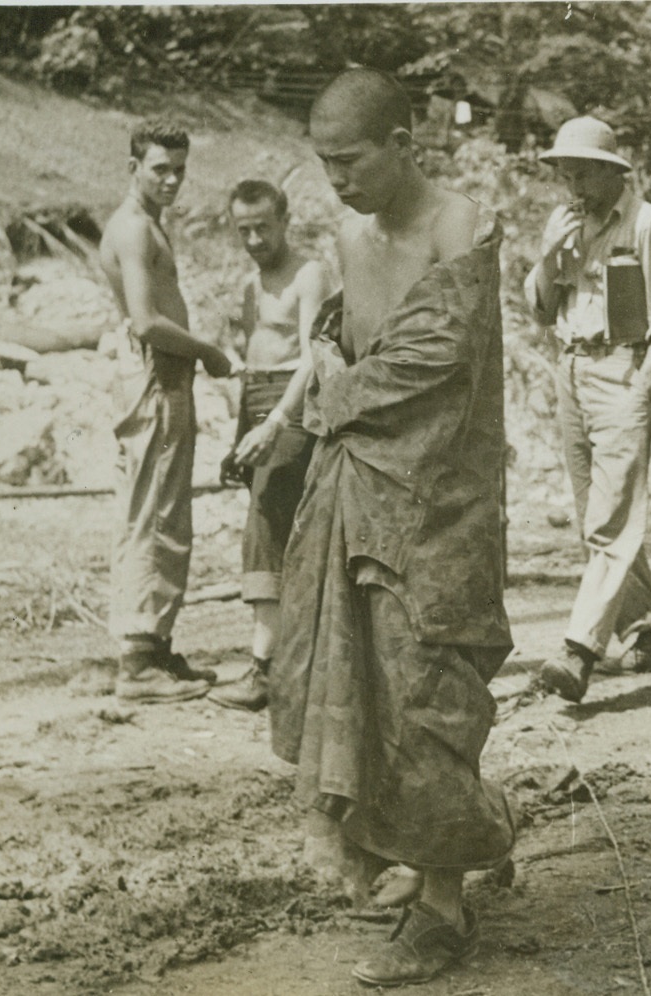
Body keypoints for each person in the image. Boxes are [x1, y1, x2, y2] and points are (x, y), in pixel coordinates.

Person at [267, 68, 514, 987]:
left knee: (429, 694)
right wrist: (317, 393)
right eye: (324, 163)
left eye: (351, 159)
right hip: (358, 494)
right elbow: (345, 350)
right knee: (358, 683)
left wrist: (340, 397)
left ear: (403, 142)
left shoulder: (464, 228)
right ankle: (440, 841)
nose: (337, 180)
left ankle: (445, 912)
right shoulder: (345, 236)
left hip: (444, 502)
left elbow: (438, 362)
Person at [523, 116, 651, 703]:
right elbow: (541, 311)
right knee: (596, 512)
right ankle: (648, 631)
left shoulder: (650, 227)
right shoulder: (564, 225)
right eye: (567, 174)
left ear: (614, 173)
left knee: (610, 518)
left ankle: (580, 648)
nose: (574, 186)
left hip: (624, 368)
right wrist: (548, 256)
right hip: (572, 366)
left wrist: (645, 389)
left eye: (585, 173)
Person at [100, 120, 236, 704]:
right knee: (153, 512)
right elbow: (145, 320)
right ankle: (136, 660)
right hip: (156, 376)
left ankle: (155, 646)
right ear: (134, 168)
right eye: (160, 168)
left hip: (168, 376)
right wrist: (208, 351)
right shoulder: (133, 230)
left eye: (180, 169)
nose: (172, 179)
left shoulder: (150, 223)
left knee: (168, 511)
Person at [209, 181, 333, 711]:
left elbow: (313, 357)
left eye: (264, 226)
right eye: (244, 230)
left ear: (285, 219)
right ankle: (290, 663)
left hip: (292, 406)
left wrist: (277, 422)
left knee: (265, 522)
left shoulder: (310, 274)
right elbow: (252, 354)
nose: (255, 239)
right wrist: (242, 428)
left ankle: (263, 671)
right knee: (272, 524)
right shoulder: (250, 283)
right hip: (257, 400)